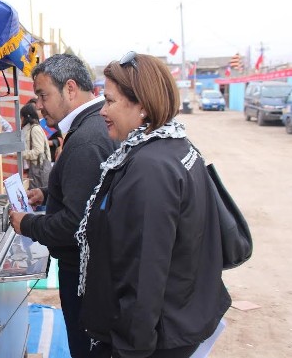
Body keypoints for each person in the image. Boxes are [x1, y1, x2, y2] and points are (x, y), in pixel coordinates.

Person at [75, 52, 231, 357]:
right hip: (178, 319)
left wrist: (130, 349)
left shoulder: (150, 169)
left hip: (155, 338)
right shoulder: (175, 145)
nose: (102, 111)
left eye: (109, 101)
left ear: (143, 106)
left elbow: (144, 274)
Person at [9, 54, 117, 358]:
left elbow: (74, 224)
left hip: (83, 272)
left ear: (70, 89)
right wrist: (47, 193)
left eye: (43, 95)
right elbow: (87, 191)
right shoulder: (89, 129)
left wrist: (26, 223)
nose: (39, 105)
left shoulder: (86, 139)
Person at [20, 102, 52, 189]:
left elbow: (38, 151)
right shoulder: (31, 128)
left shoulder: (34, 129)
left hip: (39, 169)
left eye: (21, 117)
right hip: (36, 169)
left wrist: (21, 154)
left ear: (25, 117)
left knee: (38, 197)